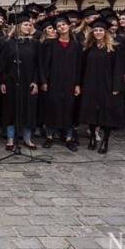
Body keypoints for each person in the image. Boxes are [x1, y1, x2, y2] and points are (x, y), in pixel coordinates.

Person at [78, 20, 125, 154]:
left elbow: (118, 69)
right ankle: (92, 136)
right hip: (90, 84)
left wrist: (117, 86)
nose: (98, 32)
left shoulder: (114, 48)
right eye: (96, 30)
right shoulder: (88, 48)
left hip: (107, 85)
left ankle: (105, 140)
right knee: (91, 112)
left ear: (106, 32)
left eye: (101, 30)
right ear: (92, 33)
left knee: (107, 113)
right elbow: (83, 68)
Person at [39, 15, 81, 151]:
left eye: (63, 24)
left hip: (70, 82)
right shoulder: (50, 44)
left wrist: (77, 84)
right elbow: (44, 64)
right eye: (58, 26)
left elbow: (79, 66)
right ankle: (50, 136)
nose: (61, 27)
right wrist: (44, 81)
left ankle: (69, 138)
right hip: (53, 82)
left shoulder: (76, 45)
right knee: (52, 108)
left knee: (69, 108)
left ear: (69, 26)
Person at [0, 13, 40, 151]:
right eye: (25, 24)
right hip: (12, 82)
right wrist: (3, 81)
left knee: (29, 110)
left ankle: (27, 139)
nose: (28, 27)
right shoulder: (9, 43)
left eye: (29, 25)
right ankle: (10, 139)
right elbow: (2, 63)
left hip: (28, 82)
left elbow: (38, 64)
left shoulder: (34, 43)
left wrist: (35, 81)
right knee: (11, 110)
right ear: (18, 26)